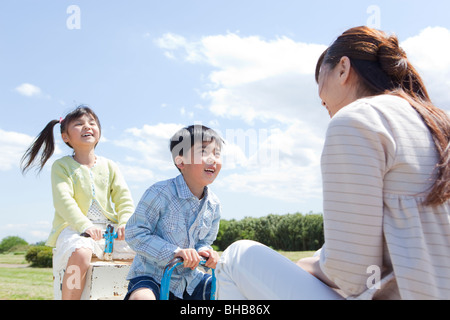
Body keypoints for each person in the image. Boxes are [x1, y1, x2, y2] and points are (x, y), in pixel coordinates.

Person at [215, 26, 450, 300]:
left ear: (342, 68)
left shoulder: (357, 119)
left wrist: (305, 265)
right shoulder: (438, 123)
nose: (320, 98)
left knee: (236, 256)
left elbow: (352, 276)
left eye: (320, 78)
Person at [21, 106, 135, 300]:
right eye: (79, 124)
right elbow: (64, 201)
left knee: (144, 249)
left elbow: (124, 199)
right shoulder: (62, 166)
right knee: (81, 252)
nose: (87, 127)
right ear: (66, 137)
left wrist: (124, 222)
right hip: (74, 228)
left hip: (109, 229)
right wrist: (86, 226)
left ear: (99, 132)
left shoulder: (110, 166)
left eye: (92, 123)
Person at [124, 124, 223, 300]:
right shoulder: (160, 192)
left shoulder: (213, 205)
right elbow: (134, 232)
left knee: (226, 290)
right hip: (152, 276)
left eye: (216, 153)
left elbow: (204, 242)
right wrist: (174, 252)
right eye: (203, 152)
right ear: (180, 161)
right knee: (143, 298)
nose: (212, 159)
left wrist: (207, 253)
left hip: (190, 280)